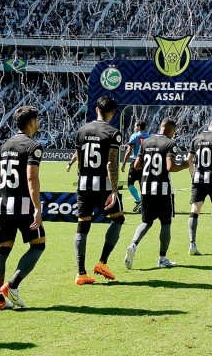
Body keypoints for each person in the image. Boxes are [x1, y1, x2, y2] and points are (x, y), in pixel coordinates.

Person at [0, 106, 46, 311]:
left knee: (1, 252)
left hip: (3, 207)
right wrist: (37, 209)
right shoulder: (33, 146)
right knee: (38, 245)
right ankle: (12, 286)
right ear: (31, 122)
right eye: (37, 120)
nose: (38, 123)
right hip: (23, 207)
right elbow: (32, 178)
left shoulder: (5, 145)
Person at [124, 118, 190, 269]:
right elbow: (170, 167)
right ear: (170, 130)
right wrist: (184, 165)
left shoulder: (146, 142)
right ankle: (162, 258)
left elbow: (137, 165)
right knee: (166, 223)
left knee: (146, 222)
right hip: (163, 190)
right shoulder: (169, 144)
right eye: (174, 131)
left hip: (146, 188)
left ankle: (133, 244)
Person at [71, 96, 124, 285]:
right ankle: (102, 262)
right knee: (118, 219)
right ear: (113, 113)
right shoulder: (113, 133)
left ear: (96, 109)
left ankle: (80, 273)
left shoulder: (81, 130)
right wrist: (115, 190)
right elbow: (111, 163)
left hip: (83, 185)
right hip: (103, 186)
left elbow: (79, 159)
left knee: (82, 227)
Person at [187, 117, 212, 255]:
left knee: (195, 210)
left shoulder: (196, 138)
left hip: (198, 178)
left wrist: (193, 175)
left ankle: (192, 244)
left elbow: (189, 160)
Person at [121, 120, 148, 213]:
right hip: (146, 163)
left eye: (135, 126)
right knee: (143, 184)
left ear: (139, 127)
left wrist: (124, 163)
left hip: (136, 161)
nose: (134, 127)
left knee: (130, 183)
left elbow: (129, 151)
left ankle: (138, 200)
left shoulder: (134, 136)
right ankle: (144, 205)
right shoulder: (149, 137)